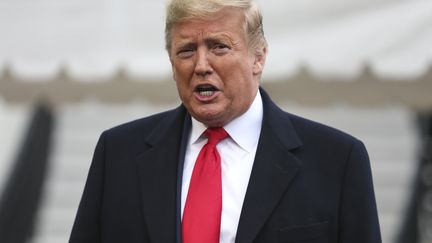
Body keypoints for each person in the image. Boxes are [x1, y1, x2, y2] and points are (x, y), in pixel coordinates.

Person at [69, 0, 382, 242]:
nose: (202, 65)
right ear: (171, 62)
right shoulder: (118, 154)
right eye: (186, 50)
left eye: (219, 46)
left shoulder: (337, 161)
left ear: (258, 57)